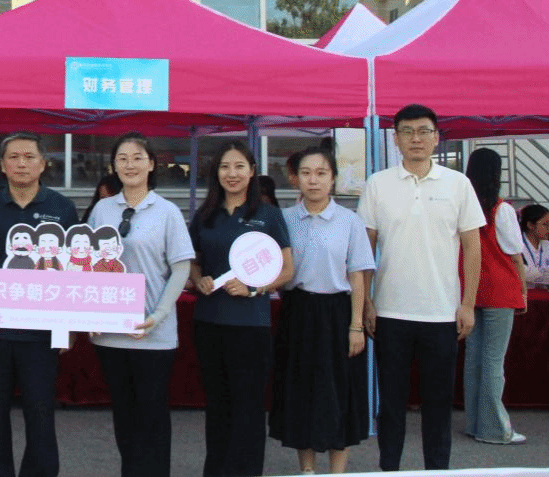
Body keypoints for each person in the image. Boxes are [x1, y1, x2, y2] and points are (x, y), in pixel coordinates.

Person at [359, 104, 485, 471]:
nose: (416, 138)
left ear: (436, 137)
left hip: (442, 314)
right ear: (395, 139)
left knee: (438, 405)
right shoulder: (378, 184)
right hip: (390, 313)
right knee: (391, 405)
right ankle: (389, 470)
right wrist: (366, 302)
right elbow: (364, 248)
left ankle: (437, 471)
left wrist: (468, 303)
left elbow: (473, 247)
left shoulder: (457, 184)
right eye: (407, 131)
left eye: (424, 131)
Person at [0, 131, 78, 477]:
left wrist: (69, 325)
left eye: (29, 157)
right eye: (13, 157)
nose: (22, 163)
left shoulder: (62, 208)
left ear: (43, 164)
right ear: (2, 165)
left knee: (40, 412)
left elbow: (72, 269)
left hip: (42, 331)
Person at [90, 132, 195, 477]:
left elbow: (181, 267)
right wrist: (88, 314)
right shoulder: (102, 209)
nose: (130, 164)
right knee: (124, 416)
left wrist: (159, 315)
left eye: (137, 157)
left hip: (153, 333)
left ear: (151, 164)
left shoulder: (166, 212)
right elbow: (85, 263)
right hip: (111, 333)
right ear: (113, 166)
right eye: (122, 158)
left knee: (152, 417)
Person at [190, 140, 293, 477]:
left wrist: (254, 288)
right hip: (209, 322)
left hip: (250, 325)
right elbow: (192, 262)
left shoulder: (268, 215)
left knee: (248, 406)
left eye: (239, 166)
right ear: (216, 173)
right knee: (217, 405)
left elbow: (287, 270)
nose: (231, 174)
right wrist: (199, 279)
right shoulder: (205, 215)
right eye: (224, 167)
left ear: (252, 172)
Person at [269, 146, 373, 474]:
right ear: (295, 178)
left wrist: (356, 325)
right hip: (297, 312)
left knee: (338, 391)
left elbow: (357, 275)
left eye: (321, 173)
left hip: (338, 314)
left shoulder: (350, 221)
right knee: (300, 390)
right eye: (306, 173)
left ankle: (337, 471)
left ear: (333, 179)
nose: (313, 180)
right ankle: (307, 470)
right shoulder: (284, 219)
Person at [461, 148, 526, 446]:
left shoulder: (462, 205)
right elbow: (515, 254)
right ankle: (494, 428)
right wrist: (522, 290)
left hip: (470, 288)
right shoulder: (502, 209)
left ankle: (475, 423)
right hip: (500, 289)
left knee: (474, 358)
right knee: (493, 360)